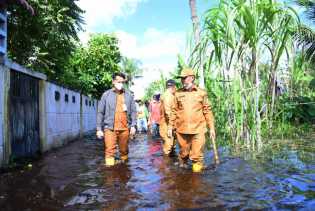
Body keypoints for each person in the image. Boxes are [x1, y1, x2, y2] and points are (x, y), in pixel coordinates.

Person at [168, 68, 217, 173]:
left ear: (192, 78)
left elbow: (207, 111)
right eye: (181, 79)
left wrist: (211, 128)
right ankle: (183, 176)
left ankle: (196, 181)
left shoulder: (201, 93)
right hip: (182, 130)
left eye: (184, 78)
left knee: (197, 157)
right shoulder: (177, 94)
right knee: (183, 155)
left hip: (198, 130)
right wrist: (170, 127)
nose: (182, 81)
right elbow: (173, 111)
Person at [96, 72, 137, 166]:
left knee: (124, 150)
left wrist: (133, 125)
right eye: (118, 81)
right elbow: (100, 112)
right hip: (110, 129)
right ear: (113, 82)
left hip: (125, 129)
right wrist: (99, 129)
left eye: (122, 82)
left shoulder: (128, 95)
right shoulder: (106, 95)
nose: (121, 84)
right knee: (109, 151)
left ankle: (124, 170)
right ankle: (110, 176)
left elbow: (134, 111)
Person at [159, 79, 177, 156]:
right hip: (167, 125)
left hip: (167, 124)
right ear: (173, 87)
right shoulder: (168, 96)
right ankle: (167, 166)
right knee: (168, 146)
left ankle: (170, 165)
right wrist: (171, 126)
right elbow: (168, 113)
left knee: (171, 145)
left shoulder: (166, 95)